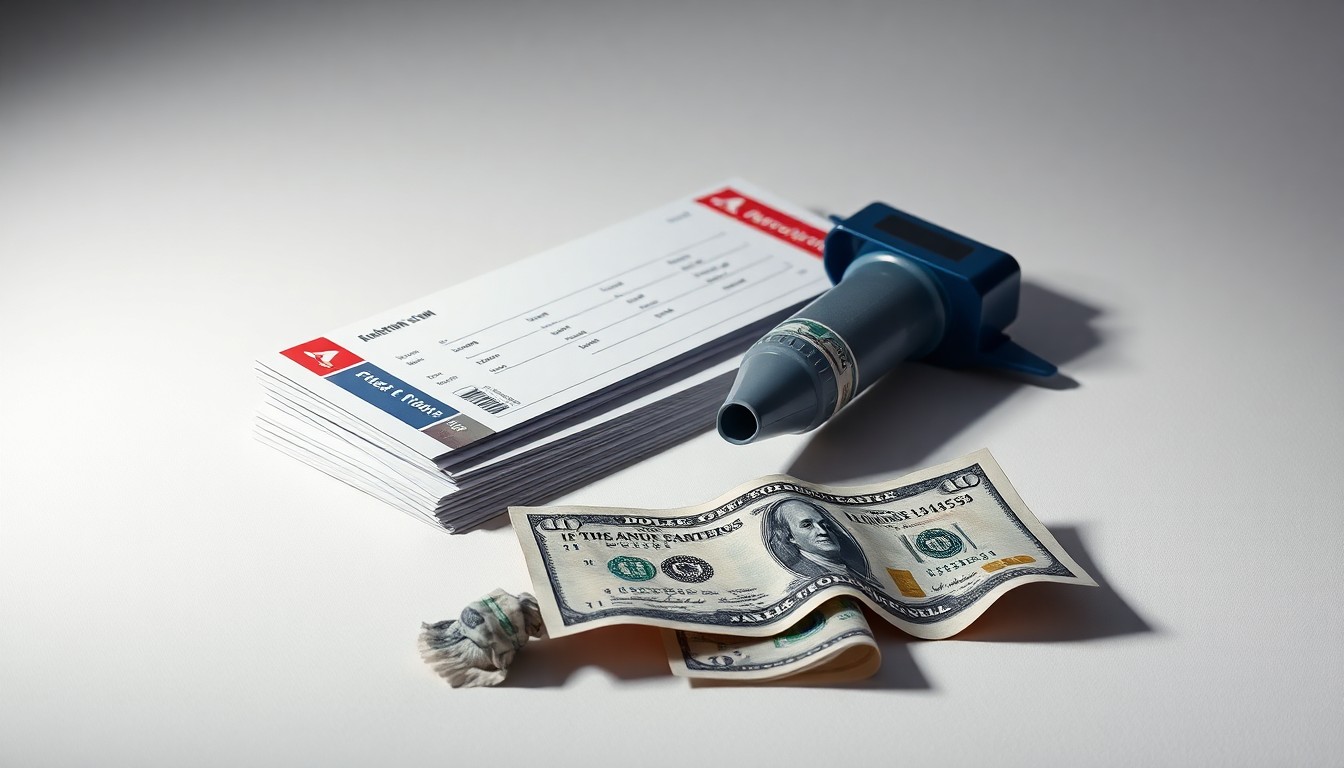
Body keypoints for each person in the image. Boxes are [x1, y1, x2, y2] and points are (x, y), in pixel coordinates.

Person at [762, 497, 875, 586]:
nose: (822, 531)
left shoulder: (855, 567)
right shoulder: (799, 579)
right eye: (807, 525)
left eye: (823, 524)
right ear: (790, 536)